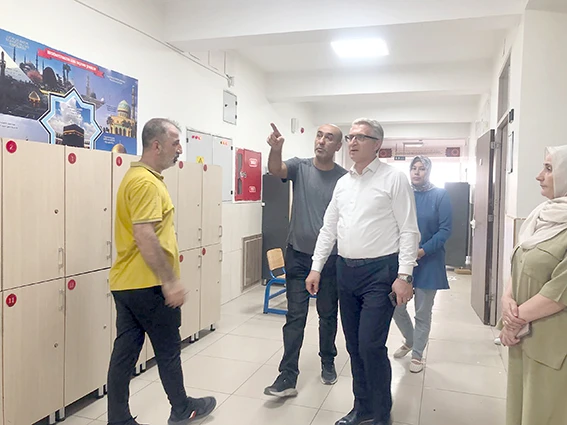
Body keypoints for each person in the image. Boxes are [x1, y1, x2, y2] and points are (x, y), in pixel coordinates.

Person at [306, 118, 420, 425]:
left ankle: (381, 412)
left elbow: (409, 229)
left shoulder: (393, 179)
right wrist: (316, 267)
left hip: (380, 273)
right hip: (346, 271)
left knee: (370, 345)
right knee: (354, 345)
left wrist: (404, 276)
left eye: (361, 137)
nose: (352, 142)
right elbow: (329, 229)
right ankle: (362, 407)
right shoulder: (343, 183)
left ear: (377, 144)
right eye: (350, 137)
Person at [107, 118, 216, 425]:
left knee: (125, 353)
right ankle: (181, 408)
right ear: (156, 145)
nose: (180, 149)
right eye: (175, 142)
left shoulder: (137, 177)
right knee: (168, 350)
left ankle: (118, 418)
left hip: (127, 283)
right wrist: (170, 281)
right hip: (149, 284)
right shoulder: (146, 183)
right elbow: (145, 235)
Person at [263, 122, 347, 398]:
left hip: (330, 260)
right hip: (298, 255)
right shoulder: (300, 167)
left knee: (327, 314)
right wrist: (276, 149)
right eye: (319, 135)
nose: (321, 141)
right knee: (295, 316)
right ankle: (287, 375)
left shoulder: (344, 179)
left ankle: (328, 360)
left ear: (338, 146)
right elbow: (275, 169)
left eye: (329, 137)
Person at [498, 145, 567, 425]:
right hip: (523, 337)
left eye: (549, 169)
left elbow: (557, 293)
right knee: (520, 408)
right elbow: (520, 261)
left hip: (553, 344)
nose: (539, 176)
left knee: (545, 413)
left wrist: (511, 322)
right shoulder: (543, 214)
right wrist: (506, 298)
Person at [392, 156, 452, 373]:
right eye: (413, 168)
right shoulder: (404, 194)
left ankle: (417, 354)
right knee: (396, 306)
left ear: (429, 171)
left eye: (422, 169)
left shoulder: (440, 195)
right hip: (403, 261)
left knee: (422, 312)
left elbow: (445, 230)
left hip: (429, 261)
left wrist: (422, 251)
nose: (417, 172)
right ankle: (411, 340)